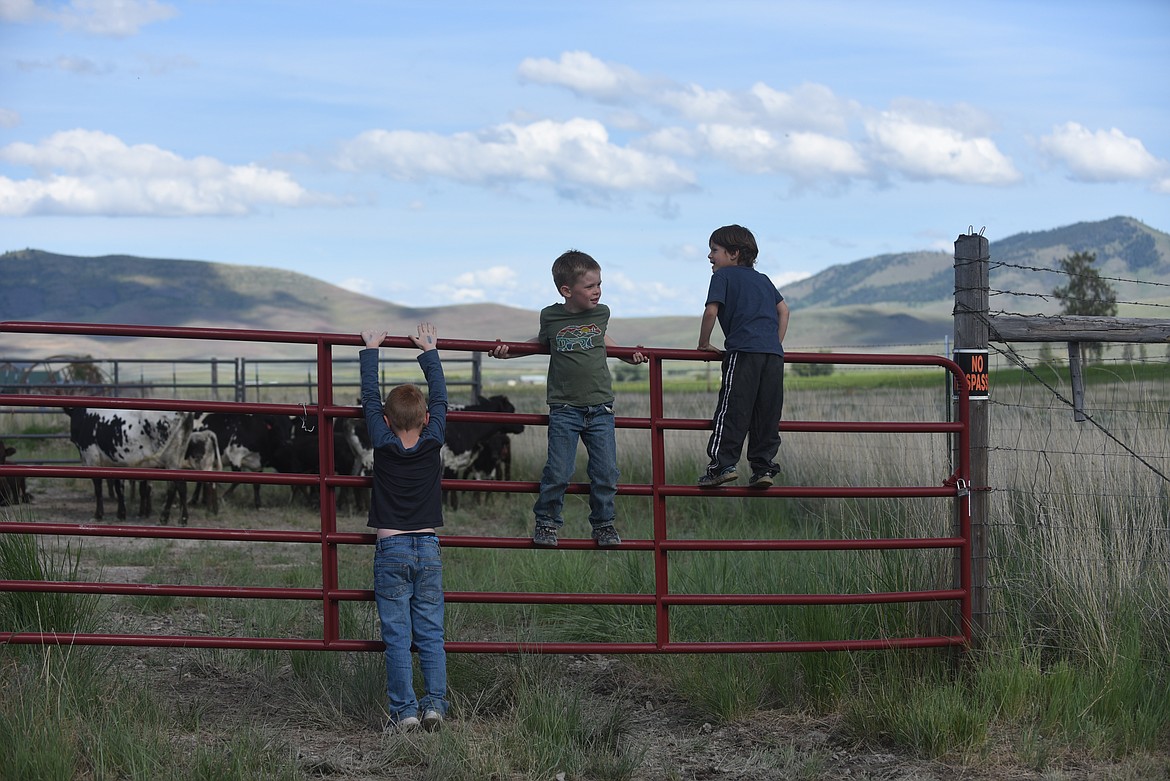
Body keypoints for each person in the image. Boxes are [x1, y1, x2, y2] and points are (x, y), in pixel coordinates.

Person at [489, 249, 647, 548]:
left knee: (606, 471)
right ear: (566, 290)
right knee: (559, 470)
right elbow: (540, 342)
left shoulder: (602, 313)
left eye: (599, 283)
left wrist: (631, 357)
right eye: (590, 286)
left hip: (600, 406)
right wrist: (508, 351)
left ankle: (604, 524)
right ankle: (547, 523)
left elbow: (604, 342)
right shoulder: (551, 316)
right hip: (564, 408)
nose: (597, 290)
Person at [360, 322, 449, 733]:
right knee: (430, 634)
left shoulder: (381, 441)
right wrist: (429, 352)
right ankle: (435, 707)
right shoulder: (433, 441)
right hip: (429, 549)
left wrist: (371, 349)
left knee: (397, 636)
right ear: (427, 418)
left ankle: (405, 711)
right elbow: (443, 400)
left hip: (391, 548)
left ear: (385, 420)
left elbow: (369, 398)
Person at [696, 224, 790, 489]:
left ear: (733, 253)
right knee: (766, 413)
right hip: (772, 355)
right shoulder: (763, 279)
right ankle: (763, 469)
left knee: (732, 410)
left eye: (714, 250)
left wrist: (703, 343)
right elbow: (784, 311)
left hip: (743, 353)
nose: (710, 256)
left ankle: (721, 466)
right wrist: (773, 343)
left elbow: (711, 312)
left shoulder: (723, 277)